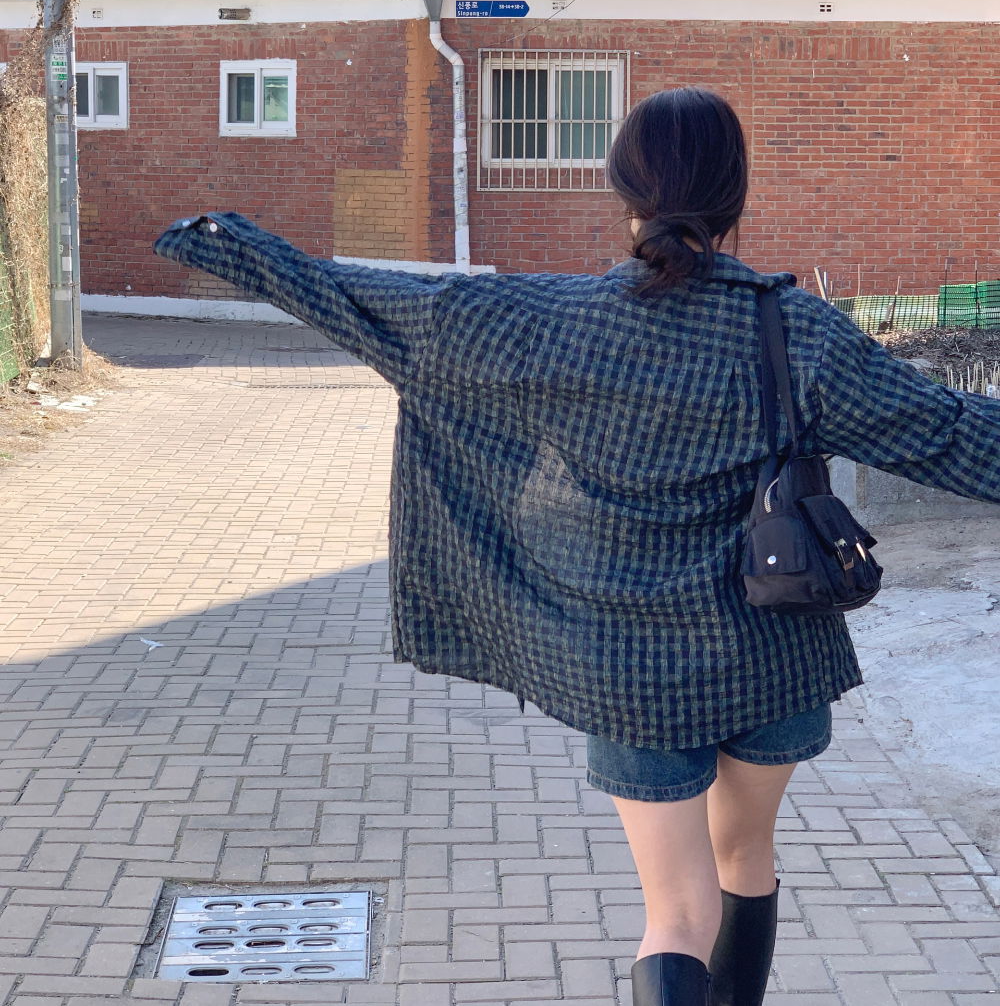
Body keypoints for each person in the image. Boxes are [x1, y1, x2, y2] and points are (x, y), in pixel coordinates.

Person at [154, 87, 1000, 1006]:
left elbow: (382, 306)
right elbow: (949, 432)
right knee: (746, 855)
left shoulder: (553, 318)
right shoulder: (796, 330)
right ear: (736, 193)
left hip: (631, 672)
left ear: (624, 191)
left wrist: (232, 244)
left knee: (677, 913)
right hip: (775, 650)